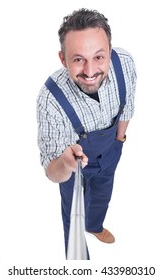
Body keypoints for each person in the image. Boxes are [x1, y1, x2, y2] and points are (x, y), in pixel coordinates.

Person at [36, 8, 137, 258]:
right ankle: (81, 266)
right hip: (72, 167)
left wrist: (119, 142)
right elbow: (52, 171)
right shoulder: (50, 99)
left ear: (110, 51)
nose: (90, 71)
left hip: (111, 150)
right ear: (63, 59)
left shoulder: (124, 63)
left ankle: (94, 225)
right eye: (78, 59)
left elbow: (128, 105)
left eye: (99, 57)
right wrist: (66, 164)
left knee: (103, 193)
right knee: (72, 214)